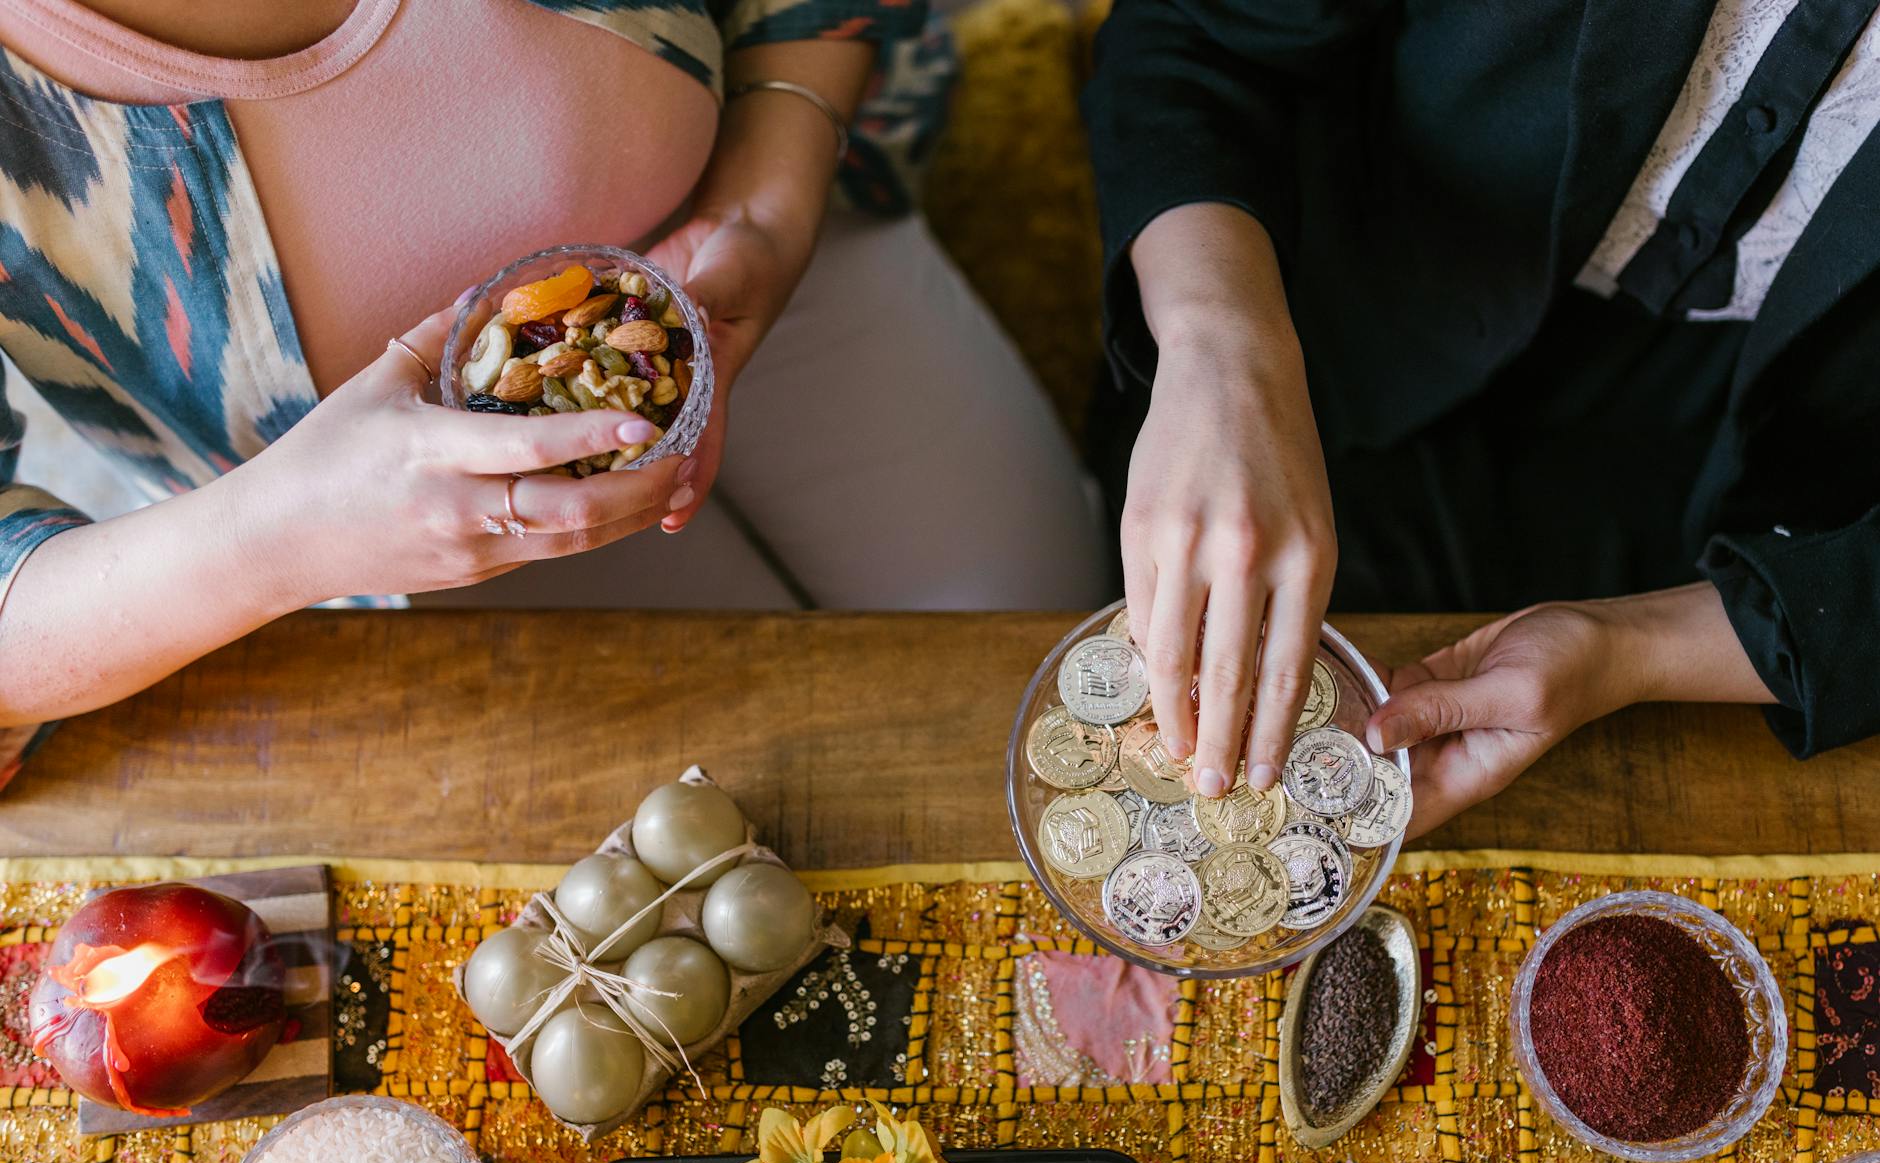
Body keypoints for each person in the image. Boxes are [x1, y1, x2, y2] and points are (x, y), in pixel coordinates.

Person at [0, 0, 1106, 779]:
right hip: (414, 533)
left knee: (1067, 683)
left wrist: (769, 203)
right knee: (755, 796)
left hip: (775, 253)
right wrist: (281, 537)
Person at [1084, 0, 1880, 834]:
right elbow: (1192, 33)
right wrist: (1222, 344)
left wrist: (1641, 646)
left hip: (1776, 544)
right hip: (1302, 358)